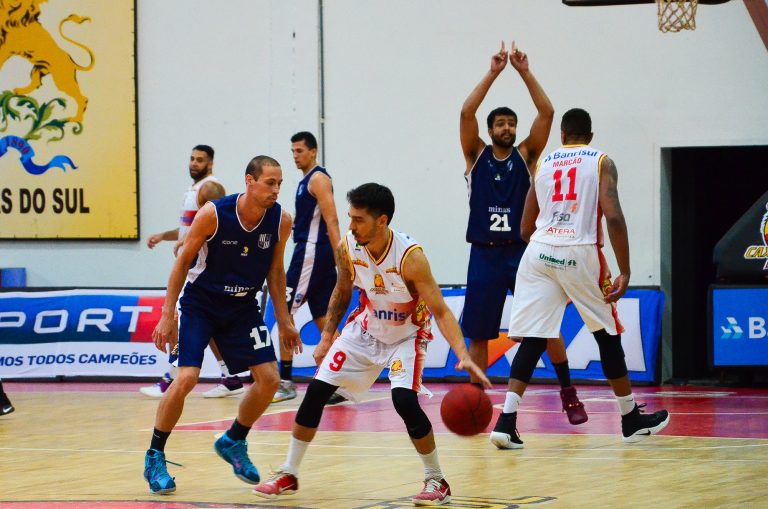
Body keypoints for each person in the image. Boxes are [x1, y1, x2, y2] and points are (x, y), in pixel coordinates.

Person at [253, 183, 492, 506]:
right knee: (316, 392)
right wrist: (327, 336)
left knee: (404, 401)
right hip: (365, 330)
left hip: (406, 335)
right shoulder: (348, 245)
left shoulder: (411, 257)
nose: (351, 226)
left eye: (359, 219)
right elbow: (342, 290)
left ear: (382, 221)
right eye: (350, 218)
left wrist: (463, 354)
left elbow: (440, 310)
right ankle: (288, 472)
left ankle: (437, 479)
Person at [490, 108, 670, 449]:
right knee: (607, 333)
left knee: (534, 338)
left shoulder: (543, 164)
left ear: (562, 135)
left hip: (538, 251)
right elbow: (613, 215)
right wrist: (625, 269)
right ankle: (630, 419)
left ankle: (506, 422)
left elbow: (525, 228)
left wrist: (549, 247)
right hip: (579, 248)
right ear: (590, 136)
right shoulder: (601, 161)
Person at [143, 155, 301, 495]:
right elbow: (182, 262)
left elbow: (275, 271)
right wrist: (168, 314)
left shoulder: (281, 220)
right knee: (186, 378)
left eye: (279, 183)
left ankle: (234, 440)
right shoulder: (214, 214)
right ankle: (155, 455)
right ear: (249, 181)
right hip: (201, 304)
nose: (276, 190)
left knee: (270, 379)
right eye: (269, 183)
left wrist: (285, 320)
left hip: (242, 307)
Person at [459, 41, 586, 425]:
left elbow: (547, 112)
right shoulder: (475, 154)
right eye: (501, 123)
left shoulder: (527, 155)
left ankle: (567, 390)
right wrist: (493, 72)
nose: (507, 128)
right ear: (490, 130)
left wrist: (524, 72)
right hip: (484, 253)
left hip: (522, 253)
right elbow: (466, 112)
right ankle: (478, 402)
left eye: (511, 123)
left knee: (546, 324)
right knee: (478, 334)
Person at [142, 145, 245, 399]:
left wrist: (189, 243)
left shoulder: (211, 188)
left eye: (200, 160)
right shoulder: (192, 190)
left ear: (210, 164)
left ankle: (170, 378)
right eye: (192, 159)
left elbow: (216, 224)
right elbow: (186, 229)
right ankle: (230, 376)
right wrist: (164, 236)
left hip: (200, 265)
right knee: (205, 322)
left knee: (176, 318)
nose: (194, 163)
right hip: (191, 262)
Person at [272, 132, 342, 404]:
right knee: (324, 319)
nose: (295, 156)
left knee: (284, 311)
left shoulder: (318, 178)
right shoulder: (305, 181)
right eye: (293, 151)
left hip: (311, 254)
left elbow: (332, 219)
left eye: (299, 150)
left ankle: (285, 382)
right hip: (314, 254)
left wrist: (341, 257)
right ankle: (338, 382)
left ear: (313, 152)